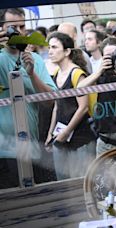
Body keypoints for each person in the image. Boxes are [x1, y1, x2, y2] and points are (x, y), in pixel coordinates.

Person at [0, 8, 57, 189]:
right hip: (4, 151)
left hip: (31, 147)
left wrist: (32, 74)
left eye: (22, 26)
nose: (18, 32)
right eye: (12, 27)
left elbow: (49, 101)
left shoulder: (34, 59)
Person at [45, 32, 96, 180]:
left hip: (81, 137)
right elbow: (57, 106)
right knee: (63, 182)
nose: (50, 51)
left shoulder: (76, 73)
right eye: (49, 47)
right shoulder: (55, 73)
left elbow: (83, 107)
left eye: (54, 47)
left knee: (82, 182)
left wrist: (66, 132)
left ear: (67, 51)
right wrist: (50, 133)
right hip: (60, 136)